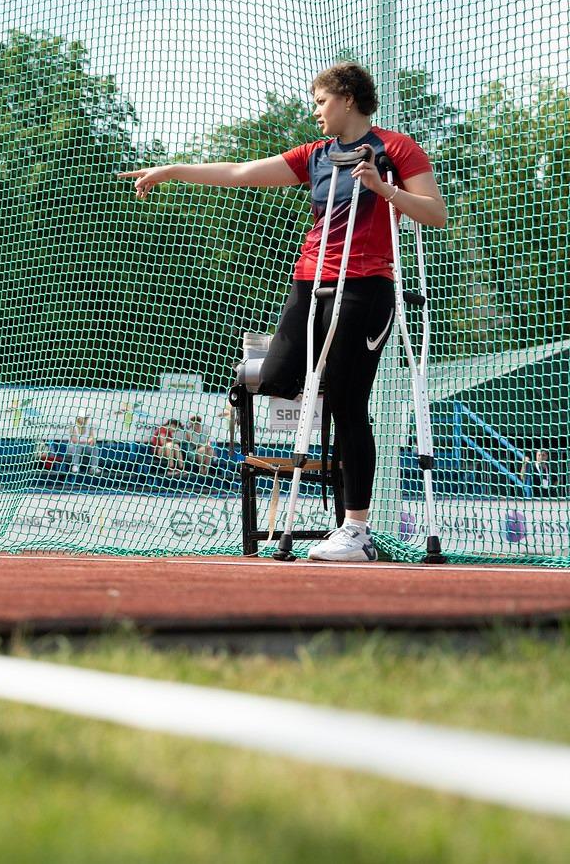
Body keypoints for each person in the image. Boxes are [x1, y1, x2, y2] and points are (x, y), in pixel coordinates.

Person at [122, 63, 446, 561]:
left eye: (321, 101)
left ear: (347, 99)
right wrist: (171, 171)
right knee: (274, 374)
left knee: (348, 402)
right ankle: (330, 437)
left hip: (365, 287)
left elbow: (435, 213)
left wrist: (387, 191)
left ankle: (355, 530)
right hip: (310, 281)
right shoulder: (315, 155)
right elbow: (241, 173)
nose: (315, 111)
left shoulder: (395, 148)